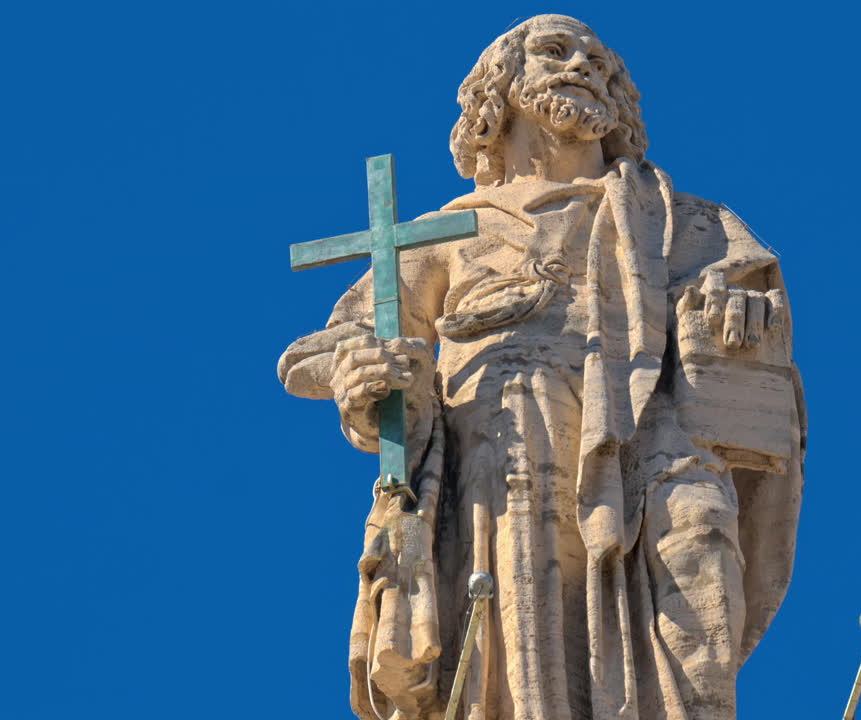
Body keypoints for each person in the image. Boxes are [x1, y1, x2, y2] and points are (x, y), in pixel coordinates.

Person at [278, 14, 806, 720]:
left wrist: (731, 306)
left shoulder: (685, 222)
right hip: (505, 437)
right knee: (519, 624)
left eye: (601, 63)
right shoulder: (452, 231)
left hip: (650, 437)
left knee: (699, 553)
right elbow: (316, 353)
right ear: (503, 86)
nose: (584, 67)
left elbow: (746, 303)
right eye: (557, 51)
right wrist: (366, 373)